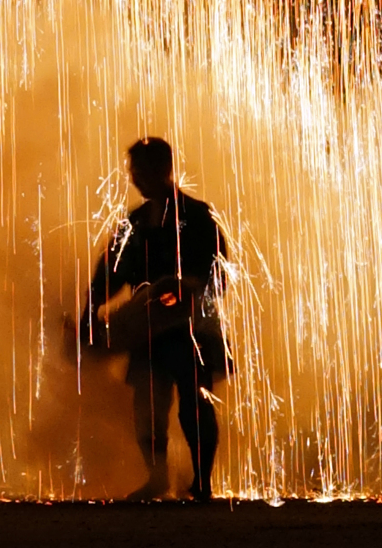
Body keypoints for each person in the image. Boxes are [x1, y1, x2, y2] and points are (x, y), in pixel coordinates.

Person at [80, 137, 229, 502]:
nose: (133, 178)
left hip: (191, 327)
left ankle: (202, 481)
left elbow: (219, 271)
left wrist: (186, 292)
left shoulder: (196, 216)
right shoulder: (135, 221)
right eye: (133, 171)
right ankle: (158, 476)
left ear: (160, 169)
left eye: (138, 170)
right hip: (149, 329)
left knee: (195, 400)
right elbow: (111, 272)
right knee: (148, 405)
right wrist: (91, 309)